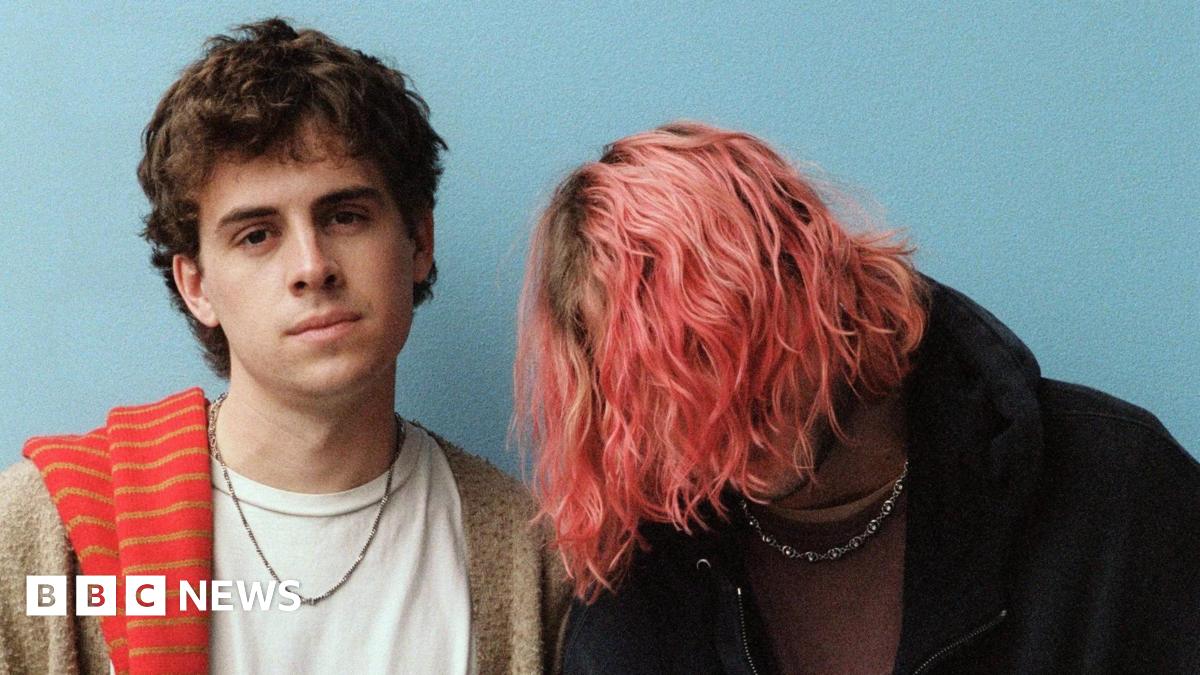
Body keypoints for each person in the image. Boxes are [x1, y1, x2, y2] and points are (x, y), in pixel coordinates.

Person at [514, 122, 1199, 673]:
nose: (724, 399)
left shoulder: (1116, 492)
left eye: (731, 340)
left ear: (813, 270)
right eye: (663, 381)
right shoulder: (644, 589)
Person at [0, 18, 566, 675]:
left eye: (345, 216)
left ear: (419, 242)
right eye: (257, 235)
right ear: (197, 285)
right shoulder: (43, 537)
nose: (312, 265)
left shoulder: (530, 563)